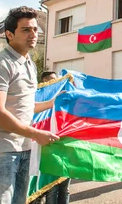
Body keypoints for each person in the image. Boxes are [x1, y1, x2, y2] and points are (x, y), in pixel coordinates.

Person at [0, 6, 61, 204]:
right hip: (0, 152)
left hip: (23, 149)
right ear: (9, 34)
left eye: (35, 29)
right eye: (26, 30)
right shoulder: (0, 63)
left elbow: (25, 106)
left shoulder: (29, 64)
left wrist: (52, 104)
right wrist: (36, 134)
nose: (33, 34)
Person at [36, 71, 71, 204]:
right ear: (45, 81)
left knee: (65, 188)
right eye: (52, 80)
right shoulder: (39, 98)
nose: (56, 83)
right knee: (51, 187)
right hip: (48, 148)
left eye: (57, 80)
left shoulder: (60, 99)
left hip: (63, 148)